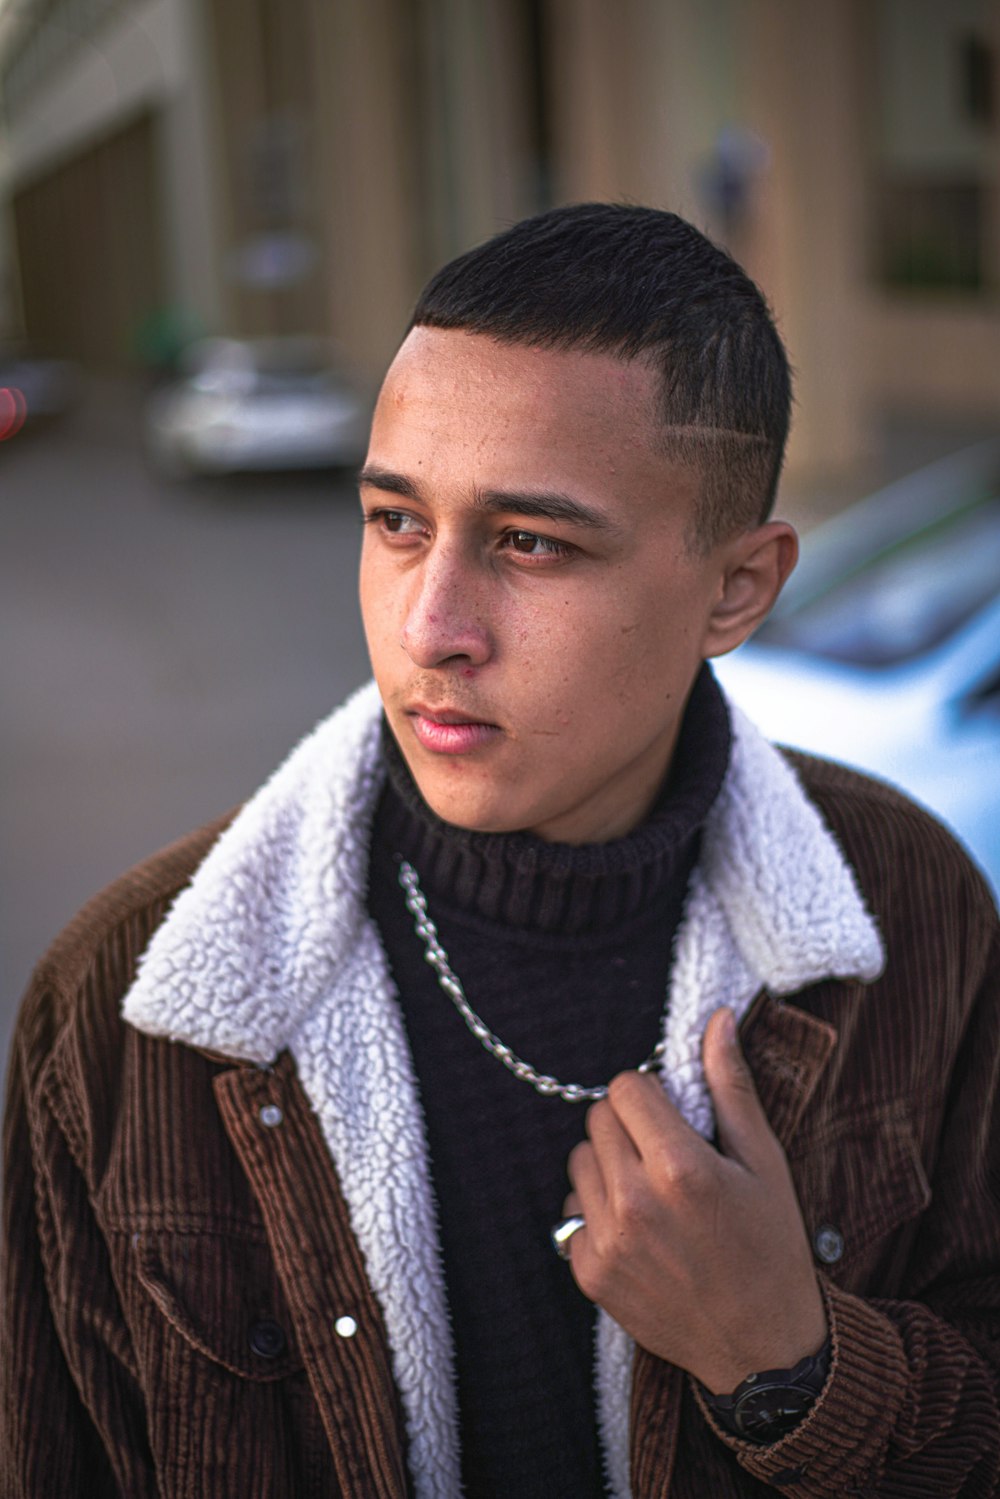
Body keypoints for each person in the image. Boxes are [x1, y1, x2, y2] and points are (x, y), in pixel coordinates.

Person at [2, 204, 998, 1499]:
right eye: (397, 523)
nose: (433, 626)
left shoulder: (911, 913)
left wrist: (792, 1367)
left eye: (531, 543)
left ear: (737, 589)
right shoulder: (123, 1012)